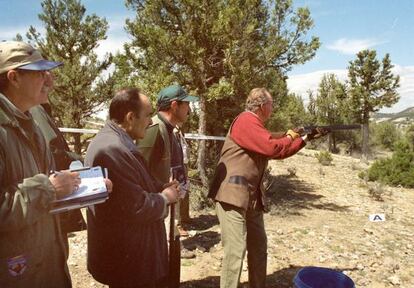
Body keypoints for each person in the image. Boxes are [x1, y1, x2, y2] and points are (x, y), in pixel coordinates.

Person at [208, 88, 326, 288]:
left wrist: (304, 138)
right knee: (235, 251)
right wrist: (290, 136)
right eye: (271, 104)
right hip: (232, 195)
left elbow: (278, 149)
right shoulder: (246, 120)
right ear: (263, 106)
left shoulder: (255, 125)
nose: (273, 108)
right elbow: (272, 146)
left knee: (258, 247)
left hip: (251, 197)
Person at [0, 41, 81, 287]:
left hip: (44, 264)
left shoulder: (31, 124)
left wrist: (85, 189)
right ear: (14, 77)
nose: (50, 81)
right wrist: (48, 188)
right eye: (40, 73)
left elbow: (47, 186)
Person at [84, 88, 180, 288]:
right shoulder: (112, 149)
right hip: (129, 264)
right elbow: (135, 206)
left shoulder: (118, 142)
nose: (151, 121)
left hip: (132, 259)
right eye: (147, 115)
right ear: (130, 117)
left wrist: (160, 186)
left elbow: (135, 182)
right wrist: (165, 197)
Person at [138, 84, 198, 237]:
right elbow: (138, 171)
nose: (189, 110)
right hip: (151, 209)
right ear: (174, 105)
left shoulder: (168, 129)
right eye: (186, 105)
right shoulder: (155, 129)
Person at [30, 103, 86, 252]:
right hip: (54, 197)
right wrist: (80, 159)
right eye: (42, 77)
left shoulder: (37, 107)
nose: (49, 80)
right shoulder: (35, 108)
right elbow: (53, 151)